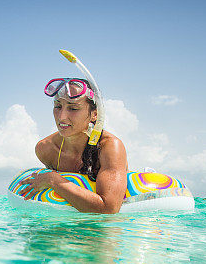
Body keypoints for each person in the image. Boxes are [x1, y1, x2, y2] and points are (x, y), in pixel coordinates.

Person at [22, 77, 128, 213]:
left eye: (73, 108)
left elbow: (109, 209)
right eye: (58, 106)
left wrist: (53, 180)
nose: (62, 117)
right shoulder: (45, 149)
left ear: (94, 115)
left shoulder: (110, 147)